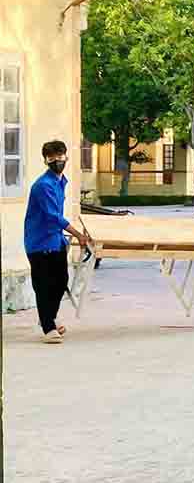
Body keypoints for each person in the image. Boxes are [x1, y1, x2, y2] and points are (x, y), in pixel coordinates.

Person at [24, 141, 93, 344]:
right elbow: (53, 216)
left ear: (66, 157)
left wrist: (68, 237)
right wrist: (78, 235)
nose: (56, 160)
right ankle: (48, 327)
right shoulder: (43, 186)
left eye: (59, 156)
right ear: (45, 160)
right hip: (38, 242)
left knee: (60, 282)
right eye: (51, 157)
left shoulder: (61, 181)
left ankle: (48, 319)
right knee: (44, 285)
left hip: (55, 241)